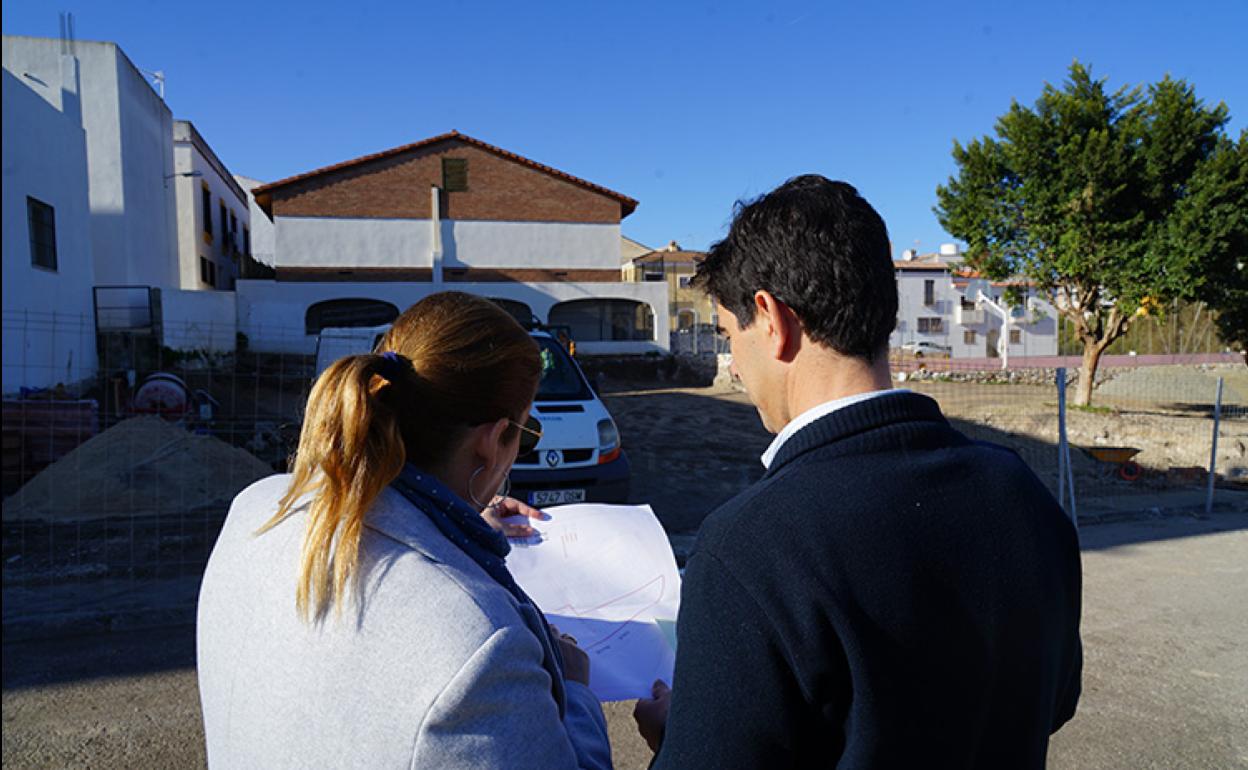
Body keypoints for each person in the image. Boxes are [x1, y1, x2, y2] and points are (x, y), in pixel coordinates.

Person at [633, 176, 1082, 768]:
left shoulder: (750, 548)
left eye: (726, 335)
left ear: (770, 319)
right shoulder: (1019, 489)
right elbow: (1055, 701)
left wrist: (677, 737)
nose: (734, 366)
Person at [198, 292, 612, 769]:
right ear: (493, 440)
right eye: (526, 431)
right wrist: (578, 691)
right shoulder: (482, 648)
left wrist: (456, 530)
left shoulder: (255, 508)